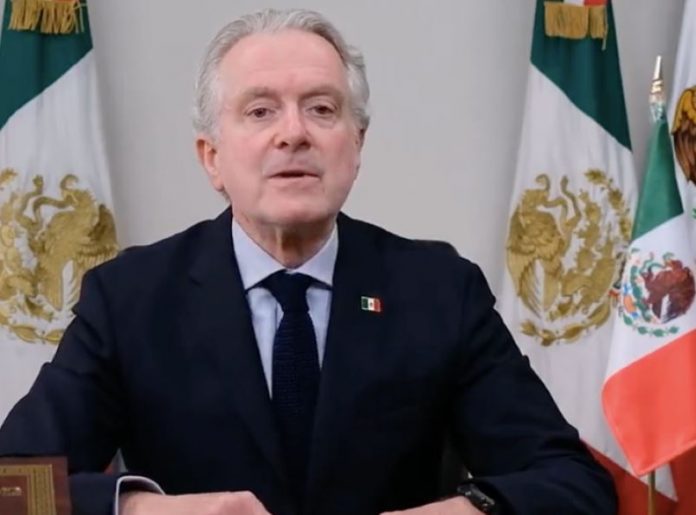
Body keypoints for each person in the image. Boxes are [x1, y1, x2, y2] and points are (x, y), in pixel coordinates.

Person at [0, 8, 616, 515]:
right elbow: (11, 486)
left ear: (357, 145)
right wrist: (140, 508)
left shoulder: (439, 291)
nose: (293, 133)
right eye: (260, 111)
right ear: (212, 157)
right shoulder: (130, 298)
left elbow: (574, 484)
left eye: (321, 108)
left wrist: (468, 508)